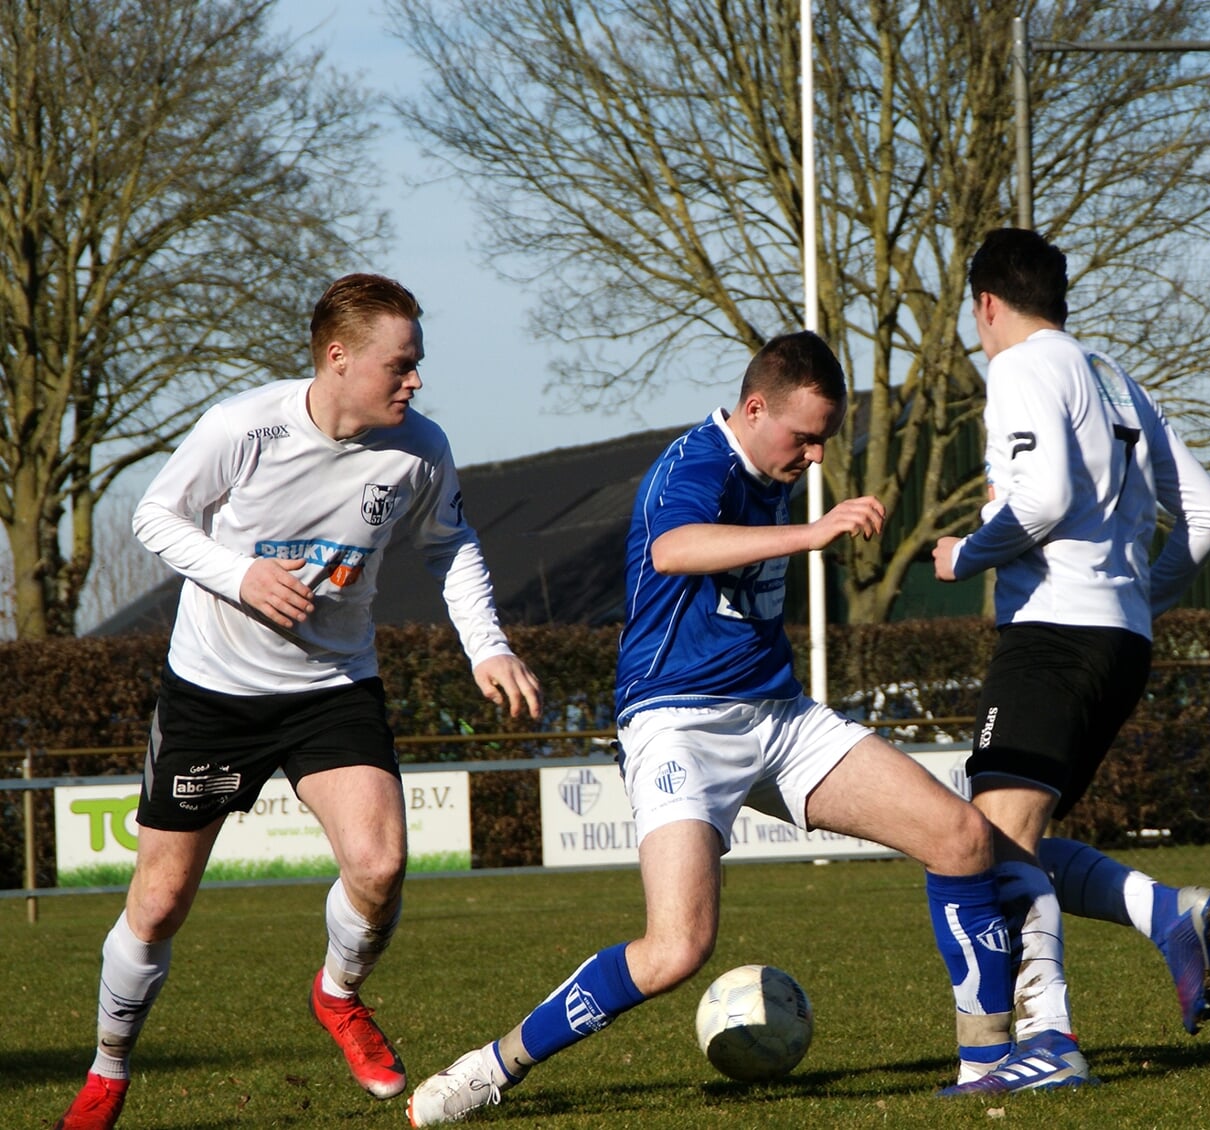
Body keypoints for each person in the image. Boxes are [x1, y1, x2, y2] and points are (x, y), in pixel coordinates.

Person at [406, 331, 1016, 1125]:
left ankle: (993, 1069)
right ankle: (490, 1069)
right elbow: (673, 549)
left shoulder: (772, 465)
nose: (813, 457)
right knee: (676, 950)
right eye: (803, 437)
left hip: (778, 716)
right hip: (677, 725)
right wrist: (814, 532)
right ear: (754, 408)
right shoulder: (694, 463)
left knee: (961, 837)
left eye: (824, 440)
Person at [55, 274, 544, 1130]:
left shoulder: (419, 449)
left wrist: (489, 644)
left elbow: (451, 543)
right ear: (338, 357)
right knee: (160, 902)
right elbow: (159, 520)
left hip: (332, 688)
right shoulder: (244, 427)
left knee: (381, 864)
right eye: (402, 365)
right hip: (216, 694)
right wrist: (240, 574)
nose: (416, 382)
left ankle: (338, 993)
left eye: (418, 365)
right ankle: (107, 1069)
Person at [931, 228, 1210, 1094]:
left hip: (1053, 636)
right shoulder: (1115, 378)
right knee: (1005, 837)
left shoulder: (1022, 368)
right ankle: (1159, 911)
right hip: (1117, 642)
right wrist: (1141, 596)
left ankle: (1051, 1040)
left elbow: (1044, 498)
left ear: (987, 305)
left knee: (989, 841)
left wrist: (968, 557)